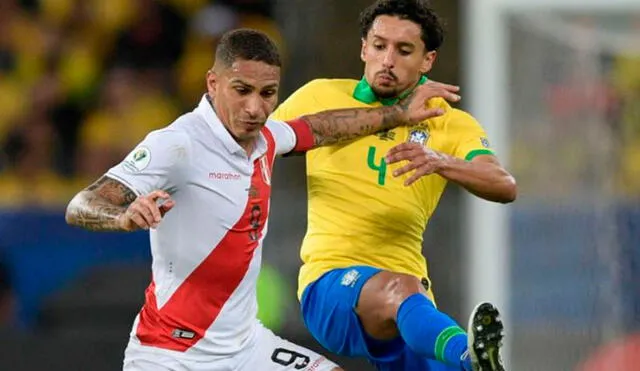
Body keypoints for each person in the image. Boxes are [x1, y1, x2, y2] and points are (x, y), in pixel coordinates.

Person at [65, 28, 461, 371]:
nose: (255, 108)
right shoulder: (178, 144)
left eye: (267, 93)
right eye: (242, 91)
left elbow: (319, 127)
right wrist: (122, 216)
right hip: (171, 353)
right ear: (212, 83)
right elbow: (81, 204)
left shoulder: (266, 139)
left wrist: (396, 114)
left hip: (246, 348)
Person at [270, 1, 517, 370]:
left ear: (427, 60)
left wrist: (441, 161)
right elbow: (259, 146)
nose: (388, 59)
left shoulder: (448, 122)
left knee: (407, 298)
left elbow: (504, 185)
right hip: (330, 285)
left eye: (404, 50)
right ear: (363, 49)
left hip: (412, 304)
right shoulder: (321, 96)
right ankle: (470, 359)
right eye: (379, 45)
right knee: (403, 293)